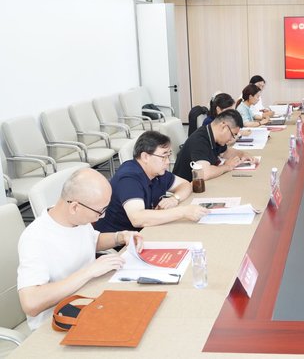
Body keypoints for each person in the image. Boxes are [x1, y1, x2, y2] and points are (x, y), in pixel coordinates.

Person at [17, 168, 143, 330]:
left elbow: (92, 241)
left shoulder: (76, 218)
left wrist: (120, 236)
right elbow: (31, 303)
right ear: (75, 207)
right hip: (58, 321)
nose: (103, 216)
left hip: (90, 300)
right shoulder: (35, 238)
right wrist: (89, 272)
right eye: (100, 211)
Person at [94, 131, 208, 233]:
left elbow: (185, 185)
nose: (168, 162)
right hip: (121, 242)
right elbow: (137, 218)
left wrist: (174, 199)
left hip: (147, 231)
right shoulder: (128, 178)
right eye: (163, 157)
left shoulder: (157, 172)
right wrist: (182, 212)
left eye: (168, 156)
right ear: (145, 157)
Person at [173, 109, 256, 181]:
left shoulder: (213, 135)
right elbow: (204, 173)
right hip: (188, 188)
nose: (232, 139)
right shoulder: (199, 140)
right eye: (233, 134)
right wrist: (227, 166)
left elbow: (225, 152)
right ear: (223, 127)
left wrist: (243, 154)